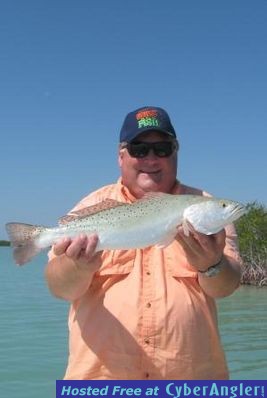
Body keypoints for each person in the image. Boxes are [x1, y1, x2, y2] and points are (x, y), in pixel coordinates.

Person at [45, 106, 242, 380]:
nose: (151, 158)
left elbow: (226, 287)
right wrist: (77, 267)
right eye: (139, 148)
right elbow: (59, 288)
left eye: (163, 148)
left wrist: (212, 265)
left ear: (176, 152)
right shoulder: (92, 205)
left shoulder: (206, 209)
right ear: (121, 155)